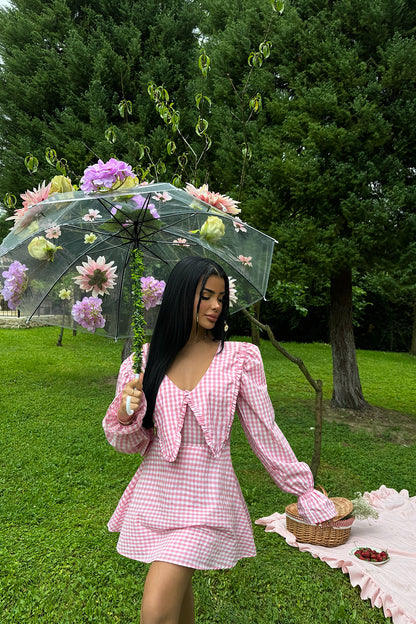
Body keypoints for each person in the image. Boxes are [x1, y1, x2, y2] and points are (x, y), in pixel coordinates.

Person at [103, 256, 336, 624]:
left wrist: (303, 490)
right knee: (176, 601)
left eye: (221, 298)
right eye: (206, 296)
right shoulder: (144, 361)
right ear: (181, 296)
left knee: (156, 610)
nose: (216, 306)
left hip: (208, 495)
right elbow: (128, 443)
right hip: (156, 493)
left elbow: (264, 430)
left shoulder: (240, 358)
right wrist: (126, 412)